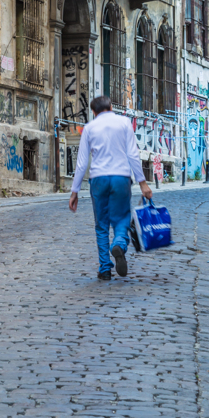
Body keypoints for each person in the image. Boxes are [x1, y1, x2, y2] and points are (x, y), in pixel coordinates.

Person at [68, 95, 153, 280]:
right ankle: (120, 245)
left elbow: (82, 162)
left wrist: (74, 191)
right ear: (111, 107)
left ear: (93, 111)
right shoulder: (124, 123)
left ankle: (105, 269)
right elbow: (133, 154)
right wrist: (143, 182)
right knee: (122, 218)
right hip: (121, 177)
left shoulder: (89, 128)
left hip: (98, 178)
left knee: (101, 225)